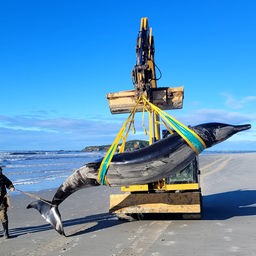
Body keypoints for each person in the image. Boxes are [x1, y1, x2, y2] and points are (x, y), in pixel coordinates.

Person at [0, 166, 15, 239]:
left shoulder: (3, 177)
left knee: (3, 216)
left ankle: (6, 232)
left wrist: (11, 187)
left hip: (2, 201)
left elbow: (8, 183)